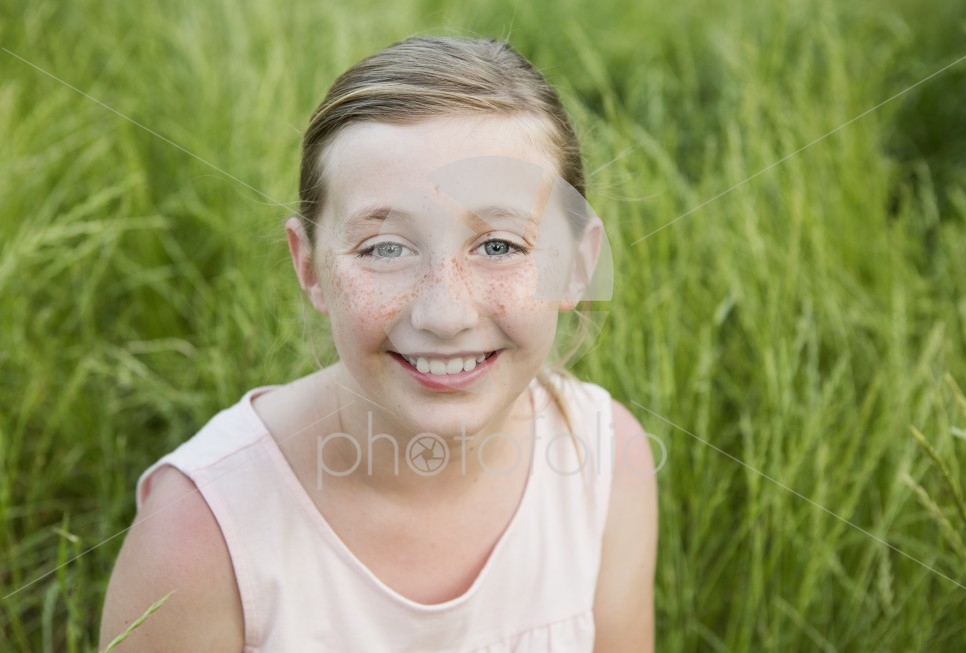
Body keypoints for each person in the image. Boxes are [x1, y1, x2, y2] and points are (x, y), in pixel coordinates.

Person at [100, 36, 658, 652]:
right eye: (385, 248)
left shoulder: (604, 461)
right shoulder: (199, 534)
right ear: (310, 268)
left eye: (500, 246)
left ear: (578, 264)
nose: (445, 314)